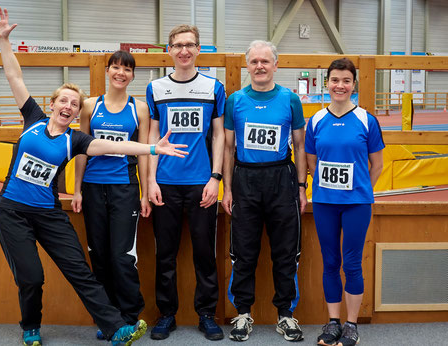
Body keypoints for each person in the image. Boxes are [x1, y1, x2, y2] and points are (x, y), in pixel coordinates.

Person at [0, 7, 187, 346]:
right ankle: (30, 327)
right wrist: (4, 41)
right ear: (52, 104)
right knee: (32, 277)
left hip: (49, 213)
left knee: (82, 270)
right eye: (63, 100)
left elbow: (120, 146)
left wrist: (154, 150)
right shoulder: (32, 119)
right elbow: (14, 77)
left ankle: (117, 328)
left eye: (73, 102)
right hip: (12, 211)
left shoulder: (76, 140)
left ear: (76, 110)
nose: (68, 105)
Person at [222, 40, 307, 343]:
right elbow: (229, 148)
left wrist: (300, 187)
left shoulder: (290, 99)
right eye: (254, 61)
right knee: (243, 252)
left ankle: (285, 314)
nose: (259, 66)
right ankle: (243, 313)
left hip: (281, 181)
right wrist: (227, 188)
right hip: (245, 181)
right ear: (248, 65)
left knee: (285, 252)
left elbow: (299, 145)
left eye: (265, 61)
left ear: (275, 65)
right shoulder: (235, 101)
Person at [146, 24, 225, 341]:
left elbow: (219, 134)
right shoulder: (155, 89)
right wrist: (150, 180)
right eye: (178, 45)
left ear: (198, 49)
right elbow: (152, 136)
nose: (184, 50)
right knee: (165, 254)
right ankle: (167, 315)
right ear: (169, 50)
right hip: (164, 183)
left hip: (201, 185)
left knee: (204, 253)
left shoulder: (213, 87)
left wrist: (215, 178)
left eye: (190, 45)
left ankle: (206, 314)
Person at [305, 58, 384, 346]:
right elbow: (312, 162)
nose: (340, 85)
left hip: (356, 204)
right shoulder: (315, 121)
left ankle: (351, 325)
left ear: (353, 85)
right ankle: (333, 322)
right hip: (325, 202)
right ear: (327, 83)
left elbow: (377, 164)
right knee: (330, 262)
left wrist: (360, 190)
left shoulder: (366, 120)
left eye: (346, 80)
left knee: (351, 263)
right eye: (335, 80)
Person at [71, 50, 149, 339]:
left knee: (122, 255)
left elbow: (143, 153)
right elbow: (81, 149)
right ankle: (109, 319)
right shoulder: (91, 106)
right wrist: (77, 189)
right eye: (115, 67)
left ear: (132, 75)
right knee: (99, 255)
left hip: (124, 189)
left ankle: (129, 316)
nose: (120, 73)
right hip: (93, 187)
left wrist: (144, 191)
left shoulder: (138, 109)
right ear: (107, 71)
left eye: (126, 69)